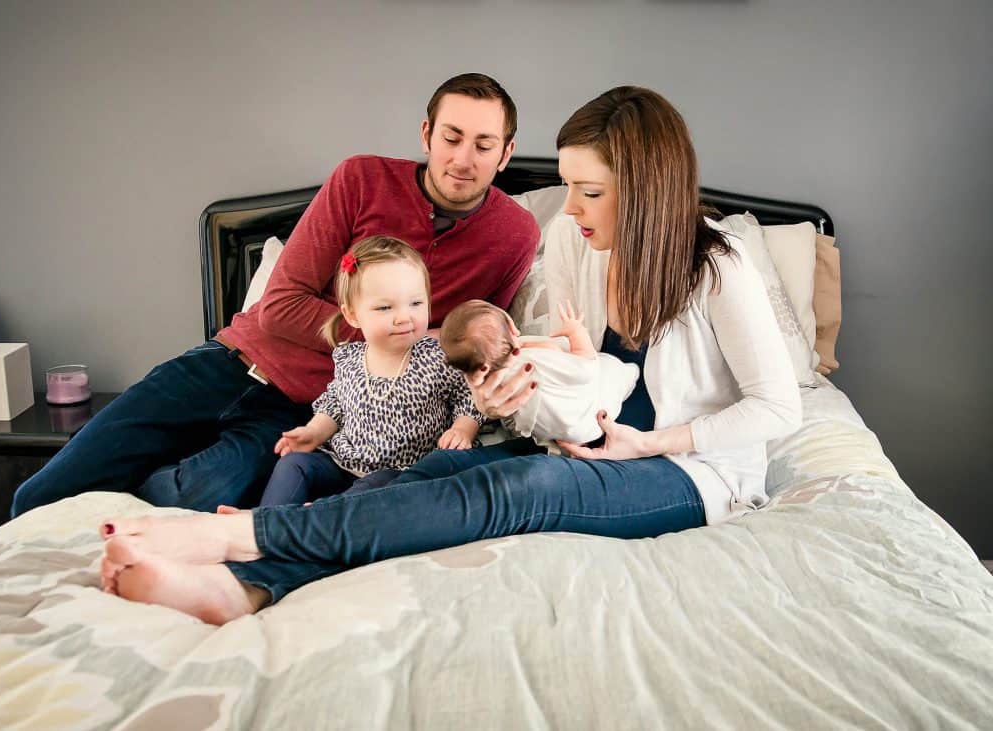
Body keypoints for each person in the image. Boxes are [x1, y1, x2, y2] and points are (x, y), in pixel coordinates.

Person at [97, 85, 802, 625]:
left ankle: (237, 539)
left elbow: (778, 408)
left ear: (647, 192)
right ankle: (247, 587)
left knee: (521, 490)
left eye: (589, 192)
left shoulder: (720, 267)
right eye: (569, 187)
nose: (571, 209)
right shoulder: (572, 242)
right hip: (580, 443)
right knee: (429, 471)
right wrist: (508, 402)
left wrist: (647, 442)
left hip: (686, 471)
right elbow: (565, 380)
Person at [11, 73, 538, 516]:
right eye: (451, 137)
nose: (462, 159)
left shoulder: (515, 234)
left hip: (299, 410)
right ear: (427, 134)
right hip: (225, 364)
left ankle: (130, 526)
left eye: (483, 145)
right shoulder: (362, 179)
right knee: (40, 496)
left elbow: (476, 343)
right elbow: (282, 307)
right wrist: (392, 332)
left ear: (505, 152)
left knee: (186, 497)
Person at [259, 236, 483, 507]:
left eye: (415, 303)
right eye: (385, 307)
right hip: (345, 463)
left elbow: (470, 397)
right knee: (293, 464)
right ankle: (265, 518)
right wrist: (314, 432)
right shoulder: (349, 358)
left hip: (401, 472)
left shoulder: (437, 357)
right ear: (353, 315)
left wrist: (463, 429)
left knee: (374, 484)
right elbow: (335, 405)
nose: (404, 317)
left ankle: (316, 517)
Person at [440, 299, 638, 446]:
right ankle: (633, 374)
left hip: (573, 433)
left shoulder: (489, 385)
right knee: (615, 371)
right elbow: (584, 369)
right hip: (594, 413)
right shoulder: (536, 358)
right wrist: (576, 331)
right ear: (510, 329)